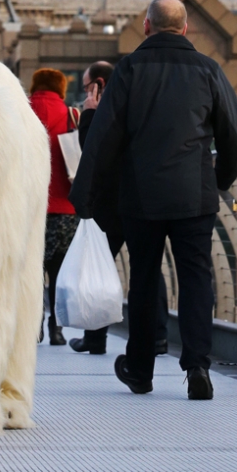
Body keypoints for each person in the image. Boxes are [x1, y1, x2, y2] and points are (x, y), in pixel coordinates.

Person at [71, 0, 237, 400]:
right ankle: (198, 364)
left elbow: (103, 137)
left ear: (147, 27)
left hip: (141, 196)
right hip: (194, 195)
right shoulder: (208, 69)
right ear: (185, 29)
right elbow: (235, 131)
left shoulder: (129, 69)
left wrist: (87, 196)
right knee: (197, 278)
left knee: (146, 279)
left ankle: (140, 370)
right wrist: (219, 178)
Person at [68, 60, 170, 358]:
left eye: (87, 87)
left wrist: (88, 114)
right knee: (149, 267)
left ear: (98, 84)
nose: (86, 93)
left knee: (98, 268)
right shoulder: (139, 97)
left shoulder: (108, 105)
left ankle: (95, 337)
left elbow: (94, 149)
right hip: (141, 198)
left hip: (110, 203)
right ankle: (159, 337)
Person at [28, 67, 78, 345]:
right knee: (59, 272)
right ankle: (57, 329)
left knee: (32, 271)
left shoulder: (21, 113)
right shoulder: (72, 116)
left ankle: (34, 328)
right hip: (66, 209)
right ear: (61, 87)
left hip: (30, 209)